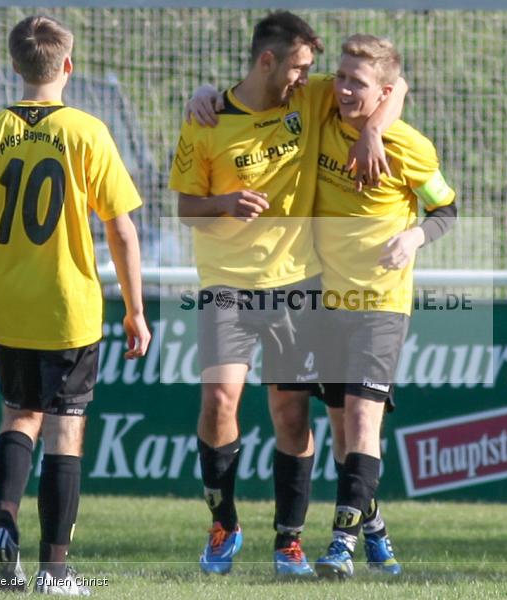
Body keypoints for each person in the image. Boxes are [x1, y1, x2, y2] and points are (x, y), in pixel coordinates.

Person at [171, 11, 404, 577]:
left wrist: (372, 131)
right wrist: (223, 203)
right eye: (299, 66)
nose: (308, 77)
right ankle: (223, 523)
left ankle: (288, 541)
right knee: (219, 401)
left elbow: (394, 84)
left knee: (292, 414)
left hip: (297, 283)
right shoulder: (207, 118)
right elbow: (185, 209)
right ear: (267, 61)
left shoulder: (311, 97)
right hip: (226, 285)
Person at [0, 15, 151, 596]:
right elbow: (122, 230)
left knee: (18, 416)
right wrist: (135, 309)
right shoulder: (88, 131)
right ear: (68, 65)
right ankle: (54, 573)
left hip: (9, 307)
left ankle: (3, 523)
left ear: (15, 65)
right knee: (65, 429)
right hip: (70, 308)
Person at [308, 34, 457, 579]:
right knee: (342, 434)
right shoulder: (323, 112)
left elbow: (446, 209)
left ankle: (340, 546)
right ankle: (374, 529)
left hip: (381, 304)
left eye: (359, 82)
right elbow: (269, 88)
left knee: (363, 420)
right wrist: (206, 96)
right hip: (325, 299)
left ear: (384, 92)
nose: (345, 88)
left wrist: (414, 237)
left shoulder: (410, 147)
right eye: (342, 76)